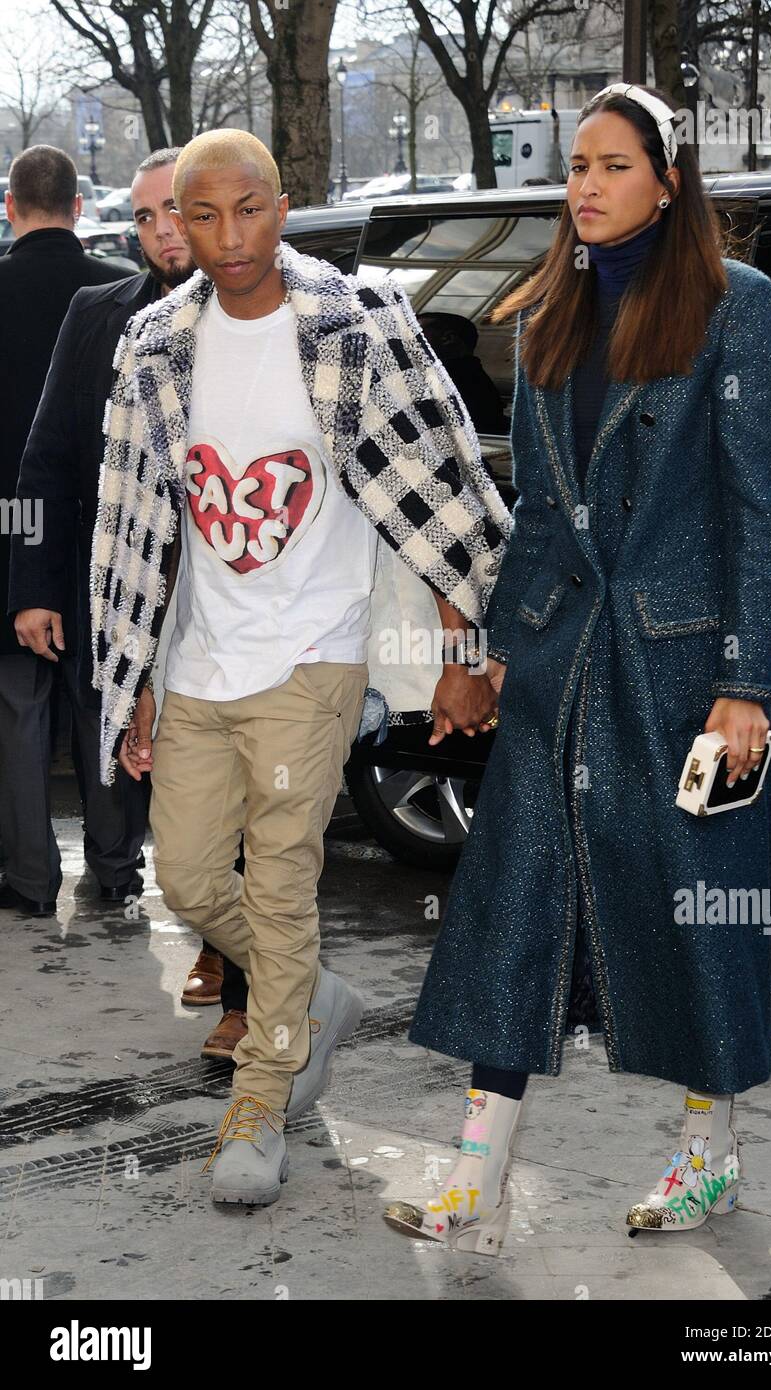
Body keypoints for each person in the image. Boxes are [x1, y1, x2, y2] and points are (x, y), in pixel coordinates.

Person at [385, 82, 771, 1253]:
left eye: (611, 166)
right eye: (575, 165)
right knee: (512, 908)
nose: (584, 186)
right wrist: (486, 653)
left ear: (668, 184)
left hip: (676, 678)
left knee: (692, 925)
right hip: (562, 667)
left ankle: (708, 1155)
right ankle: (475, 1172)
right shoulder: (549, 316)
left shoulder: (736, 308)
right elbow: (538, 520)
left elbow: (759, 514)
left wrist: (743, 683)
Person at [89, 129, 510, 1206]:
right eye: (203, 216)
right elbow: (131, 520)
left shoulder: (356, 321)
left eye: (249, 210)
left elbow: (443, 473)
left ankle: (259, 1103)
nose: (229, 238)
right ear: (175, 221)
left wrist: (468, 645)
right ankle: (305, 994)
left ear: (284, 205)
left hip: (312, 660)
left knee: (278, 888)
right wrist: (133, 672)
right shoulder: (151, 342)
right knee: (183, 876)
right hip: (198, 660)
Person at [8, 145, 247, 1057]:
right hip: (111, 587)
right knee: (129, 750)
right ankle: (176, 911)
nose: (160, 233)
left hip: (228, 596)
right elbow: (46, 455)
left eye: (171, 214)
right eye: (143, 219)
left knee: (222, 776)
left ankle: (228, 959)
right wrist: (33, 587)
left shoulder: (252, 309)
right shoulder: (94, 310)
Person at [0, 146, 135, 917]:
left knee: (18, 707)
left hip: (10, 529)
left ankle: (28, 876)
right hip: (101, 530)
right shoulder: (118, 294)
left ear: (11, 207)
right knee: (100, 698)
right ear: (79, 209)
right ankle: (115, 869)